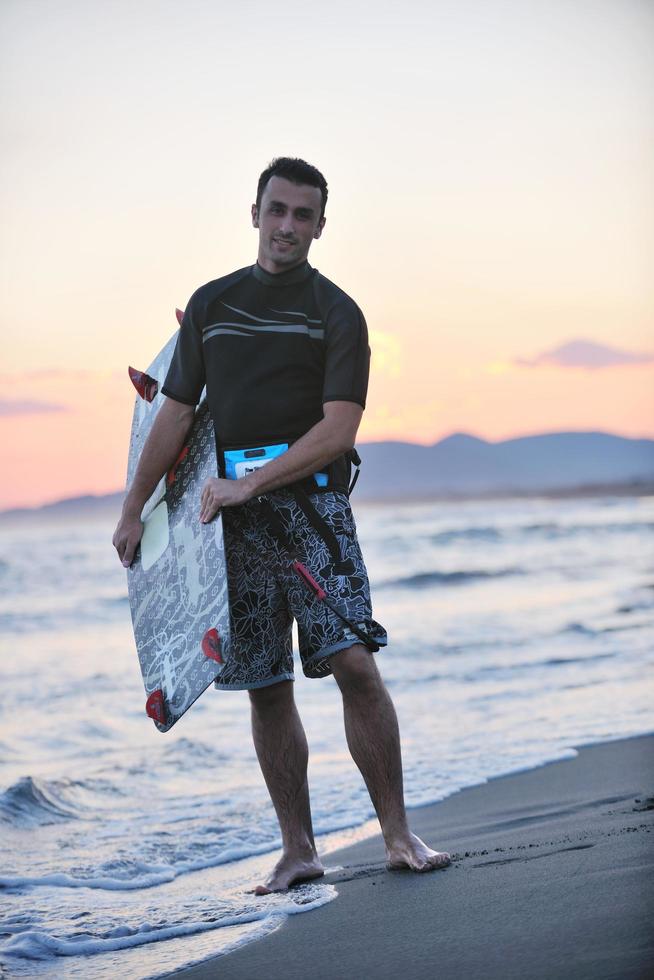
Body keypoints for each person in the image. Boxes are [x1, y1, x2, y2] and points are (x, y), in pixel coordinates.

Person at [113, 157, 451, 893]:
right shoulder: (214, 304)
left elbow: (338, 429)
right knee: (267, 685)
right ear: (255, 212)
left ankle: (397, 833)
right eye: (277, 210)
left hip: (312, 512)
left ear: (321, 226)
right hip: (226, 528)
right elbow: (172, 415)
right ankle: (298, 849)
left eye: (304, 215)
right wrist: (134, 508)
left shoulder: (337, 313)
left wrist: (253, 483)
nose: (288, 226)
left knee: (354, 662)